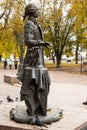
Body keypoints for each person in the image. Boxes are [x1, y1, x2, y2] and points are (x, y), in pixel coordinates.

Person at [19, 1, 51, 116]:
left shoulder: (37, 24)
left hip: (39, 57)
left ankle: (40, 107)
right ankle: (33, 108)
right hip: (32, 58)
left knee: (42, 82)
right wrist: (40, 43)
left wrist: (42, 44)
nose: (39, 12)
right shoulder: (29, 24)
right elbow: (28, 41)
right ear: (32, 12)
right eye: (37, 10)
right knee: (32, 82)